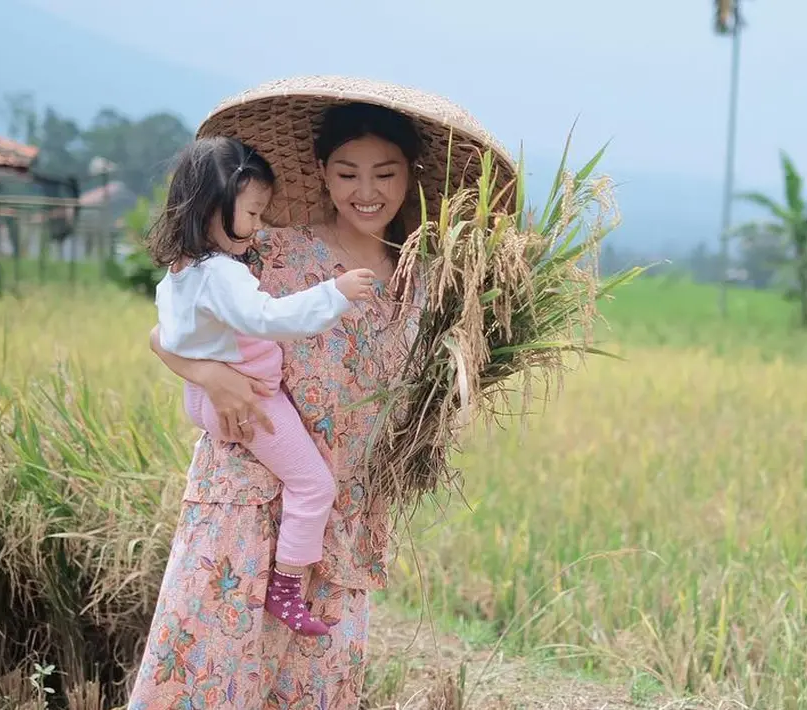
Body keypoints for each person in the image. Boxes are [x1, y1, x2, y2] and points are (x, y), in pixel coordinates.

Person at [126, 76, 515, 709]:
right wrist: (209, 377)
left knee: (310, 686)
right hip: (246, 492)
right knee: (211, 674)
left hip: (343, 516)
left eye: (385, 174)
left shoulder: (432, 285)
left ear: (411, 175)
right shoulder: (273, 253)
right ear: (322, 174)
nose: (367, 192)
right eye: (347, 173)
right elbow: (168, 331)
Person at [148, 135, 377, 637]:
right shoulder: (222, 275)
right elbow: (270, 318)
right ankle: (287, 587)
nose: (255, 228)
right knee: (313, 485)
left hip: (207, 394)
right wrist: (334, 293)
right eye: (251, 215)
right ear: (211, 207)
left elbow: (163, 337)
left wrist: (207, 375)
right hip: (252, 399)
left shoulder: (179, 271)